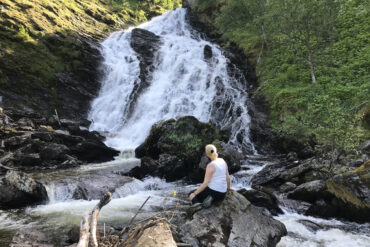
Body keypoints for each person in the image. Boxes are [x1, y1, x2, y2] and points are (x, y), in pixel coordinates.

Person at [187, 144, 230, 214]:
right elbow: (228, 177)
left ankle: (199, 208)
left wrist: (194, 193)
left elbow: (206, 183)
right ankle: (209, 199)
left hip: (213, 191)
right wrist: (228, 189)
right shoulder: (222, 161)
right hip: (222, 193)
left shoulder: (210, 165)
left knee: (191, 194)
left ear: (207, 154)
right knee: (204, 192)